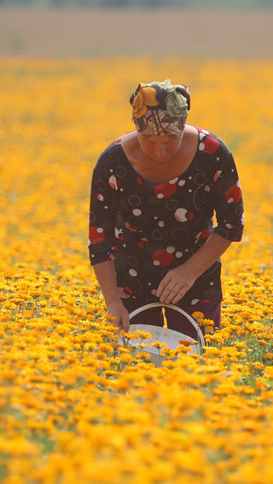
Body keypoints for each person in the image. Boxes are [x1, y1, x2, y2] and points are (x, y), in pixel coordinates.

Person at [88, 79, 244, 338]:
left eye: (170, 139)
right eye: (148, 140)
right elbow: (99, 239)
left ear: (183, 128)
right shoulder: (112, 162)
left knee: (195, 362)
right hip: (130, 281)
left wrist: (189, 271)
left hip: (196, 278)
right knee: (136, 364)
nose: (160, 151)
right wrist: (113, 301)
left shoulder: (212, 153)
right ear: (136, 129)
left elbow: (232, 223)